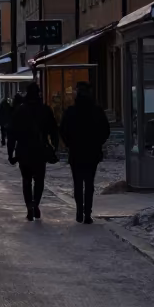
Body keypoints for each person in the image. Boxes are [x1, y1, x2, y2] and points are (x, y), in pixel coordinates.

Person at [59, 82, 111, 224]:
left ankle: (79, 211)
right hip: (91, 152)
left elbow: (62, 130)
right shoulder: (97, 111)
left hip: (76, 151)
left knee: (77, 183)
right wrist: (97, 143)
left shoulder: (70, 111)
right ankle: (87, 213)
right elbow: (106, 130)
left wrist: (70, 143)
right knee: (89, 183)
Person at [7, 83, 59, 220]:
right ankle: (36, 203)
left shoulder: (19, 110)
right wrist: (55, 147)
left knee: (26, 180)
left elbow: (11, 133)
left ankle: (29, 205)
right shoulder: (45, 110)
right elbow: (53, 130)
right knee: (39, 180)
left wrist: (10, 152)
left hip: (23, 150)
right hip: (40, 150)